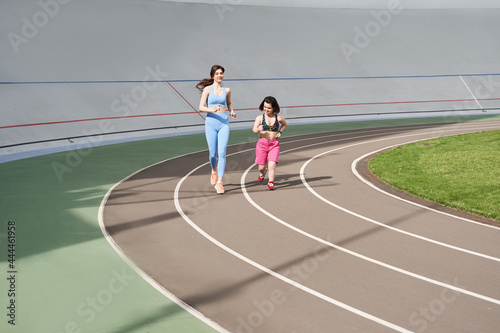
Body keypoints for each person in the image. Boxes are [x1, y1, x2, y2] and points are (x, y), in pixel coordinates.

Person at [196, 65, 236, 194]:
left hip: (224, 123)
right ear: (213, 75)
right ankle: (214, 170)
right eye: (217, 73)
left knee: (222, 152)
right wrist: (211, 109)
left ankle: (220, 182)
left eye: (221, 73)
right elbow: (201, 107)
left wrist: (232, 111)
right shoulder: (207, 90)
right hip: (211, 123)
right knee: (213, 154)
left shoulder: (227, 90)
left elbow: (229, 103)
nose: (220, 75)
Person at [252, 96, 287, 190]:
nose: (266, 109)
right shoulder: (259, 118)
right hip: (262, 144)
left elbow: (285, 124)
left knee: (272, 165)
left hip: (274, 144)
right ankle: (263, 172)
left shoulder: (278, 118)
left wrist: (280, 132)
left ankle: (271, 182)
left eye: (269, 108)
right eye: (265, 107)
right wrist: (258, 129)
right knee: (261, 167)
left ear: (274, 108)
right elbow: (254, 130)